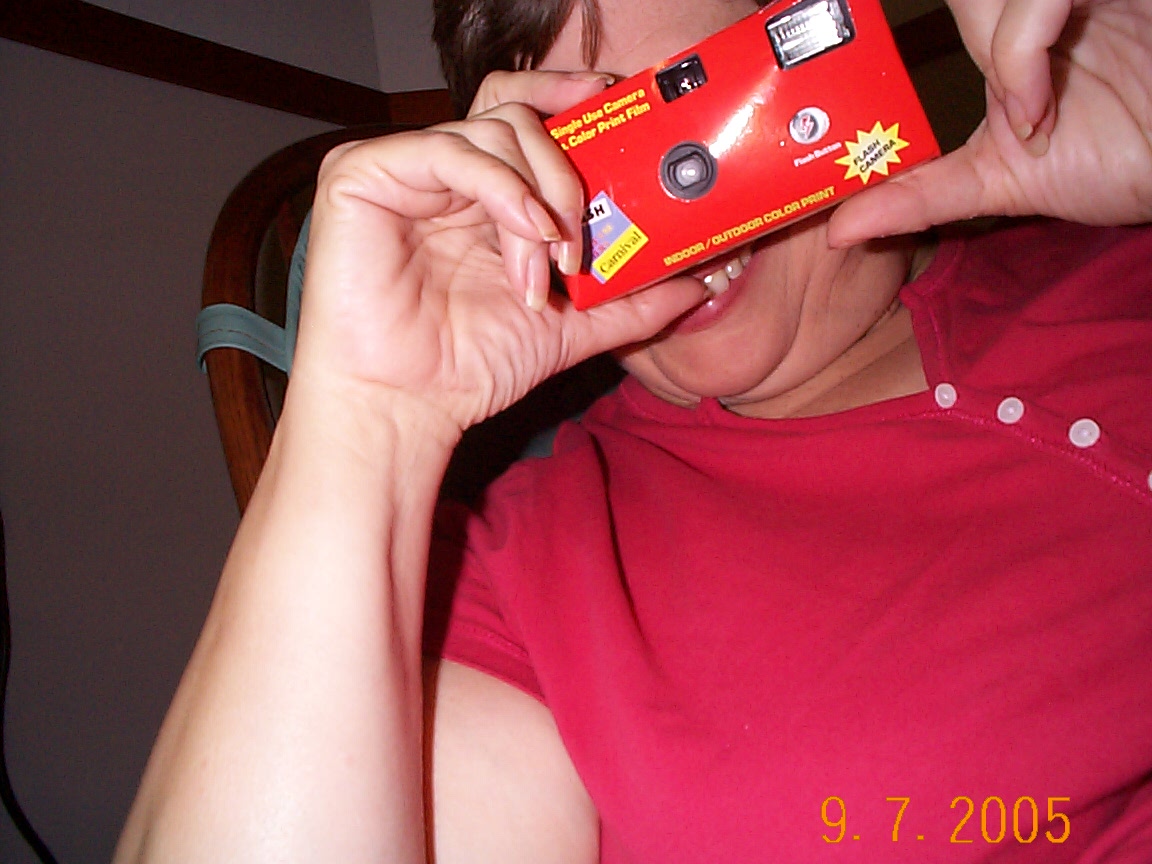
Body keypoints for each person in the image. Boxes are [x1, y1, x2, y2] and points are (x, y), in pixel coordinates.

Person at [115, 0, 1152, 860]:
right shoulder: (523, 576)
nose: (675, 200)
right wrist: (368, 419)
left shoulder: (1115, 249)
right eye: (597, 158)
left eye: (694, 108)